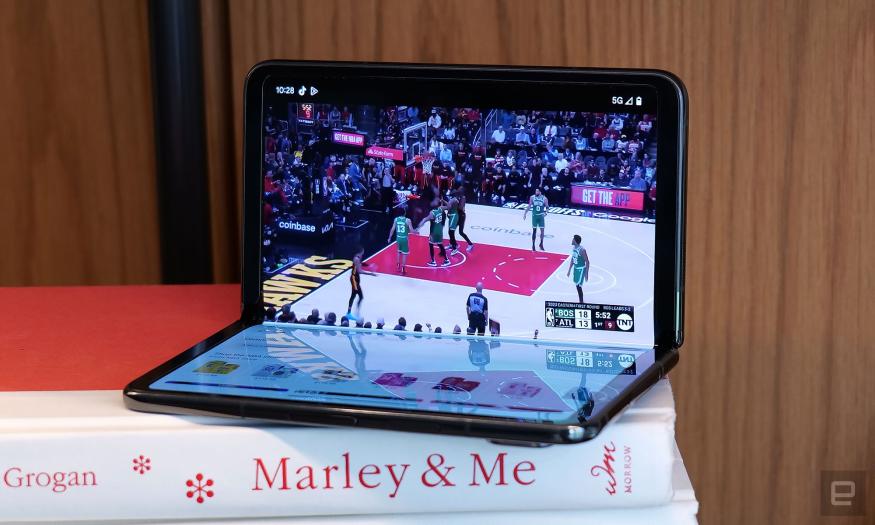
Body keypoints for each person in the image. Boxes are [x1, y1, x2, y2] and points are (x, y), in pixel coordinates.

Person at [346, 246, 377, 321]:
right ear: (360, 252)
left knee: (356, 296)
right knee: (357, 296)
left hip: (356, 278)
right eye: (363, 251)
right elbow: (360, 271)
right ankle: (350, 313)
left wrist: (369, 265)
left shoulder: (358, 258)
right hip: (354, 279)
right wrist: (371, 274)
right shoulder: (356, 259)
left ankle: (352, 312)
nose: (363, 253)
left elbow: (360, 263)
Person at [418, 197, 451, 267]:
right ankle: (447, 260)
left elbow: (425, 219)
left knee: (431, 245)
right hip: (440, 230)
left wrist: (419, 226)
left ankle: (433, 261)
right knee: (440, 244)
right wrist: (443, 200)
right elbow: (449, 206)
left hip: (434, 231)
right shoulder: (441, 208)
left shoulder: (432, 213)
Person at [566, 234, 590, 303]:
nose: (572, 240)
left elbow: (587, 262)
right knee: (577, 286)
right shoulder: (574, 248)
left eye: (573, 239)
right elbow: (573, 259)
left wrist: (586, 273)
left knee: (578, 286)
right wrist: (569, 270)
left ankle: (581, 302)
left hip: (581, 269)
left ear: (575, 241)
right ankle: (581, 301)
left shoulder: (582, 250)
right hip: (576, 269)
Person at [454, 188, 474, 252]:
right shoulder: (458, 197)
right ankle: (453, 243)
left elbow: (460, 207)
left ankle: (470, 244)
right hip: (458, 215)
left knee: (460, 232)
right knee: (452, 230)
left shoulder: (463, 198)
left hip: (461, 216)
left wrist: (454, 204)